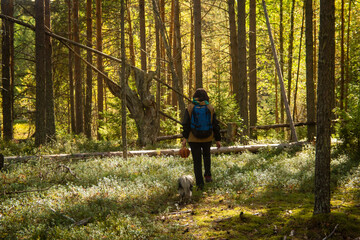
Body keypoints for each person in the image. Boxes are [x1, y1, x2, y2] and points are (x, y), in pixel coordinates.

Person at [181, 88, 221, 189]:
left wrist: (185, 138)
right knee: (207, 157)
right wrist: (218, 139)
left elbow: (186, 124)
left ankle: (200, 183)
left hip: (193, 139)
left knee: (197, 161)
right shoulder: (210, 107)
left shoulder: (190, 107)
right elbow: (215, 125)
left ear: (195, 97)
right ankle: (208, 176)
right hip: (207, 138)